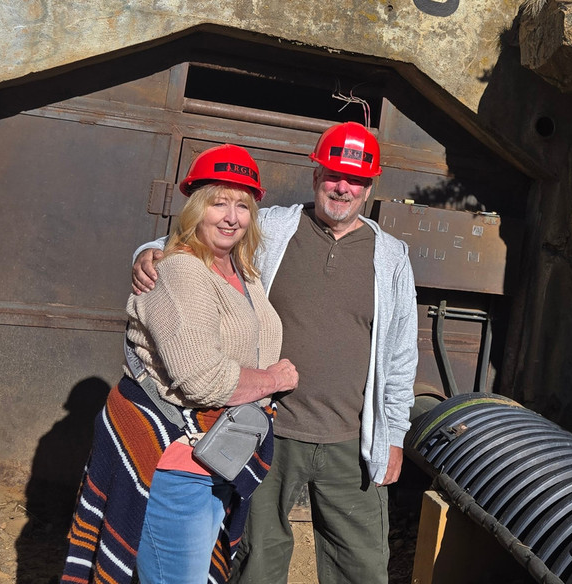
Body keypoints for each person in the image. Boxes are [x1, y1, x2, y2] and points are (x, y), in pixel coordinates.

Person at [131, 122, 419, 584]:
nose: (342, 188)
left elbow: (402, 354)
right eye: (333, 175)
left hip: (351, 437)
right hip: (269, 428)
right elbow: (205, 234)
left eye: (356, 180)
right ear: (315, 175)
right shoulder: (275, 228)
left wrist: (394, 435)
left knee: (362, 564)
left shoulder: (390, 256)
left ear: (369, 187)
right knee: (257, 559)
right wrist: (150, 251)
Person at [62, 144, 300, 584]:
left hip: (217, 458)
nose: (231, 216)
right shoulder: (181, 271)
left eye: (242, 205)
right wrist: (274, 380)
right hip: (176, 463)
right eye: (219, 202)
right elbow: (200, 378)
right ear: (195, 207)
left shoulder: (243, 271)